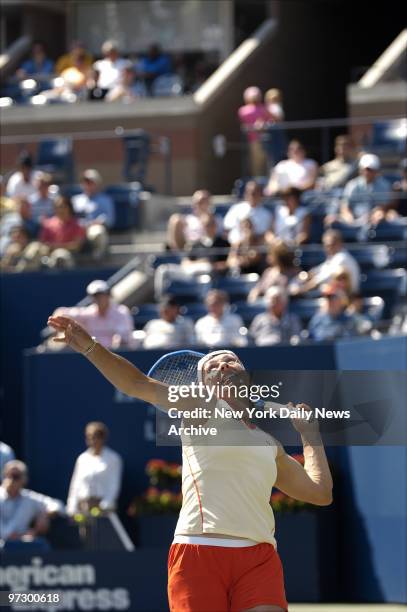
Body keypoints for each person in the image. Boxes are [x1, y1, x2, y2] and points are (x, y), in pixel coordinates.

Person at [47, 313, 333, 612]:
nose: (222, 365)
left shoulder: (269, 444)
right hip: (198, 550)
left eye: (230, 361)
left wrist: (310, 435)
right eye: (211, 366)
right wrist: (90, 346)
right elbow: (136, 384)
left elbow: (319, 493)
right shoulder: (199, 407)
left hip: (259, 556)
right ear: (202, 384)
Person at [53, 280, 135, 349]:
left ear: (108, 295)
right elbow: (61, 312)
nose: (99, 299)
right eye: (95, 296)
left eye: (101, 295)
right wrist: (56, 327)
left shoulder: (121, 312)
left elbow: (124, 338)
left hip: (118, 358)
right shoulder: (88, 313)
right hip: (93, 357)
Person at [0, 460, 64, 546]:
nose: (11, 480)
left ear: (24, 479)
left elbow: (58, 505)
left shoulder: (29, 498)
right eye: (7, 476)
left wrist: (45, 516)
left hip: (20, 546)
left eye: (16, 477)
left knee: (40, 545)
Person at [67, 422, 122, 515]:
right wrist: (71, 506)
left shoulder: (113, 459)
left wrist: (105, 506)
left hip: (104, 509)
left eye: (95, 437)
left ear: (103, 438)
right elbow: (75, 484)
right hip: (83, 507)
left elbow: (114, 485)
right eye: (89, 437)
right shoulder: (82, 458)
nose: (92, 440)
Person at [291, 229, 360, 296]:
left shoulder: (342, 258)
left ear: (339, 243)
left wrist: (301, 290)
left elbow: (321, 279)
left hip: (348, 299)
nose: (328, 248)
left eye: (332, 245)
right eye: (326, 245)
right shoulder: (332, 258)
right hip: (337, 297)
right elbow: (315, 272)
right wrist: (301, 278)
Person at [332, 153, 391, 225]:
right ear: (360, 170)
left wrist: (375, 215)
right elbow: (345, 207)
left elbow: (382, 207)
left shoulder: (384, 185)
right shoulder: (352, 185)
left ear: (376, 171)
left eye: (370, 170)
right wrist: (349, 218)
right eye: (365, 169)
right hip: (354, 219)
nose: (367, 172)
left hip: (374, 221)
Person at [72, 169, 115, 259]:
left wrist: (97, 222)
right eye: (85, 181)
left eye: (90, 182)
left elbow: (110, 220)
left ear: (97, 183)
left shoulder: (105, 200)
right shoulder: (75, 200)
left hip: (94, 228)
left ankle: (98, 259)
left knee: (97, 232)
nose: (87, 184)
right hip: (78, 229)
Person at [223, 180, 272, 245]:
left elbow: (265, 234)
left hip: (256, 249)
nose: (252, 195)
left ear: (260, 194)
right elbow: (226, 230)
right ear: (245, 193)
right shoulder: (236, 209)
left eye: (254, 193)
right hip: (236, 248)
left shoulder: (266, 214)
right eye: (249, 192)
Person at [238, 86, 270, 176]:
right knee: (257, 164)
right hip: (254, 141)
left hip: (265, 140)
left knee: (264, 163)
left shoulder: (263, 108)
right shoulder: (244, 110)